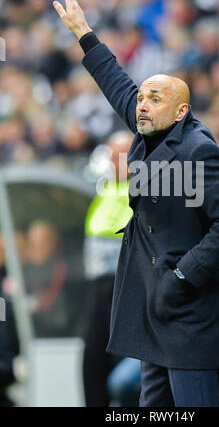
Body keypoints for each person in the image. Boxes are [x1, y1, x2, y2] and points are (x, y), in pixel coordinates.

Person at [53, 0, 219, 408]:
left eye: (154, 98)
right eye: (141, 98)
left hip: (189, 314)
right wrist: (83, 32)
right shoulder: (150, 130)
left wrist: (182, 275)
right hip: (153, 311)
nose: (141, 104)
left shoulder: (200, 149)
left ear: (181, 110)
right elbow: (116, 83)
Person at [82, 130, 139, 407]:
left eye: (121, 155)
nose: (115, 161)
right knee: (91, 363)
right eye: (112, 155)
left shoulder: (145, 189)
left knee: (121, 367)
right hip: (98, 288)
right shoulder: (104, 189)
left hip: (125, 285)